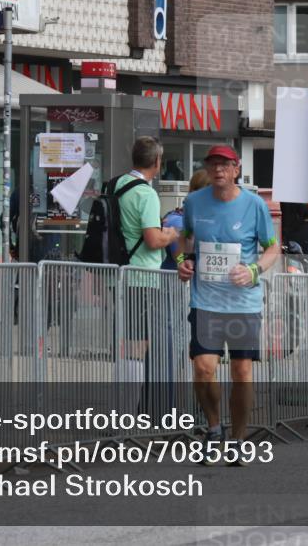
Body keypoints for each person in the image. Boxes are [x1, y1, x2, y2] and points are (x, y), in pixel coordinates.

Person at [176, 144, 279, 465]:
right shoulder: (194, 202)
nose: (218, 170)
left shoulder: (254, 205)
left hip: (244, 303)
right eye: (213, 164)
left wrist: (253, 269)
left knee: (241, 371)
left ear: (236, 169)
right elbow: (185, 238)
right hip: (205, 300)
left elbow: (272, 248)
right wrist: (183, 260)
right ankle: (214, 427)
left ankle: (238, 437)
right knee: (203, 368)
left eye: (225, 165)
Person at [116, 137, 180, 411]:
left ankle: (126, 408)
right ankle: (130, 412)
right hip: (143, 276)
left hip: (122, 271)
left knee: (128, 342)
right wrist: (170, 234)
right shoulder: (146, 194)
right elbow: (153, 240)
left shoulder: (118, 185)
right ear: (157, 162)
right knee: (138, 345)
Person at [161, 169, 211, 270]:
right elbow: (179, 258)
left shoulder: (183, 217)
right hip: (176, 281)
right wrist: (186, 262)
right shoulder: (179, 221)